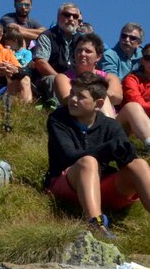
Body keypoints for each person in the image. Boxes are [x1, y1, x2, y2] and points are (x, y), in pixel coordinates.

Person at [45, 73, 150, 239]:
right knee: (88, 162)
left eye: (80, 96)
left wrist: (126, 152)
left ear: (98, 103)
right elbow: (68, 156)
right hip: (65, 184)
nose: (73, 99)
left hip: (102, 188)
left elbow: (126, 162)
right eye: (72, 93)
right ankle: (97, 225)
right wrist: (107, 149)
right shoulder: (58, 118)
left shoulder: (111, 125)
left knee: (140, 164)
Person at [53, 34, 122, 119]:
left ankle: (108, 128)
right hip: (77, 118)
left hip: (108, 117)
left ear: (98, 57)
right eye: (79, 50)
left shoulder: (109, 78)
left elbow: (117, 97)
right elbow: (67, 100)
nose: (82, 54)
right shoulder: (63, 78)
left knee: (132, 107)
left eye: (88, 51)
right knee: (101, 94)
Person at [0, 19, 31, 102]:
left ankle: (24, 109)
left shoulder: (6, 52)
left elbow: (21, 70)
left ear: (0, 37)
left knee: (24, 77)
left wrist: (15, 69)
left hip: (4, 86)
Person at [119, 45, 150, 151]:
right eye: (148, 58)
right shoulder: (132, 79)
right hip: (127, 126)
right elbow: (139, 104)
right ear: (142, 60)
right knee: (133, 107)